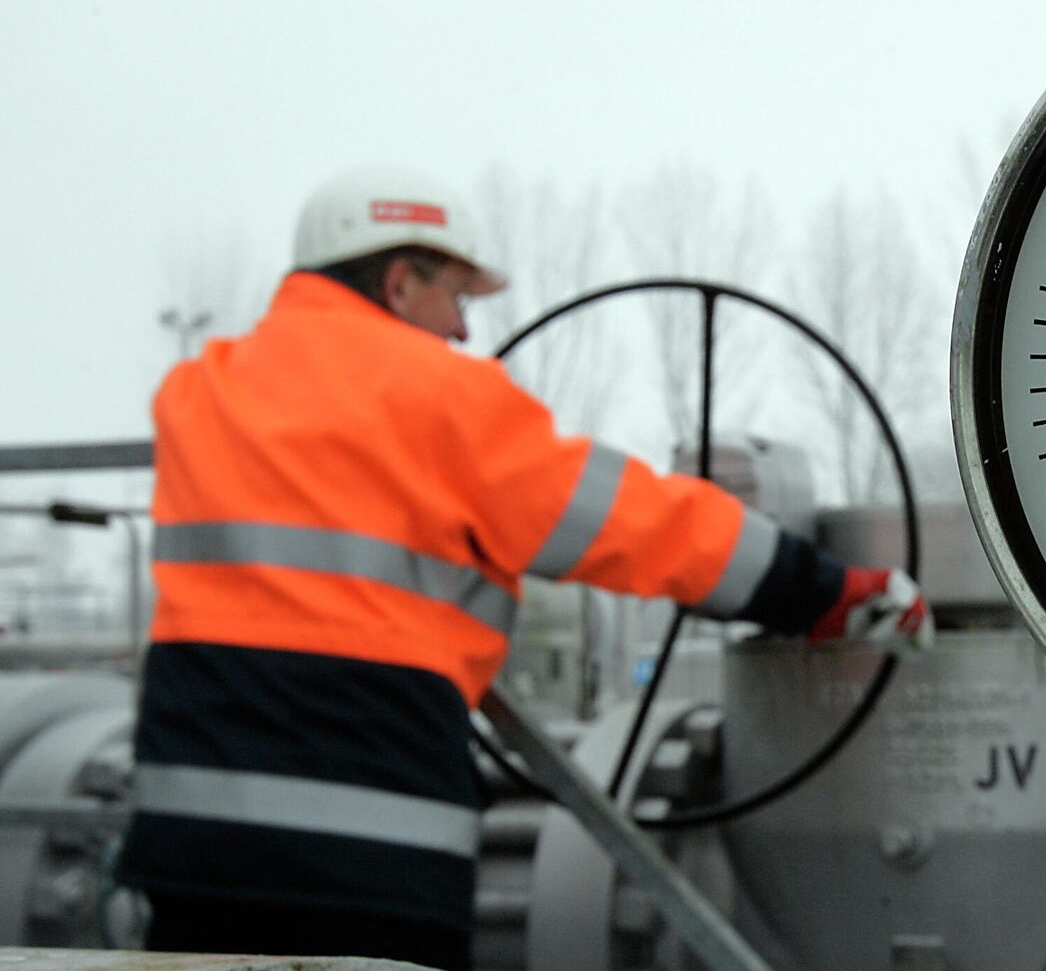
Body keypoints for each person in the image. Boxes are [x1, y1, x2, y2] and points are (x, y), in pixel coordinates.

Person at [115, 164, 931, 970]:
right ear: (400, 282)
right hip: (371, 854)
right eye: (456, 298)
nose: (464, 331)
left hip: (189, 842)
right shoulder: (440, 396)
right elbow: (634, 525)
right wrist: (822, 591)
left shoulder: (196, 393)